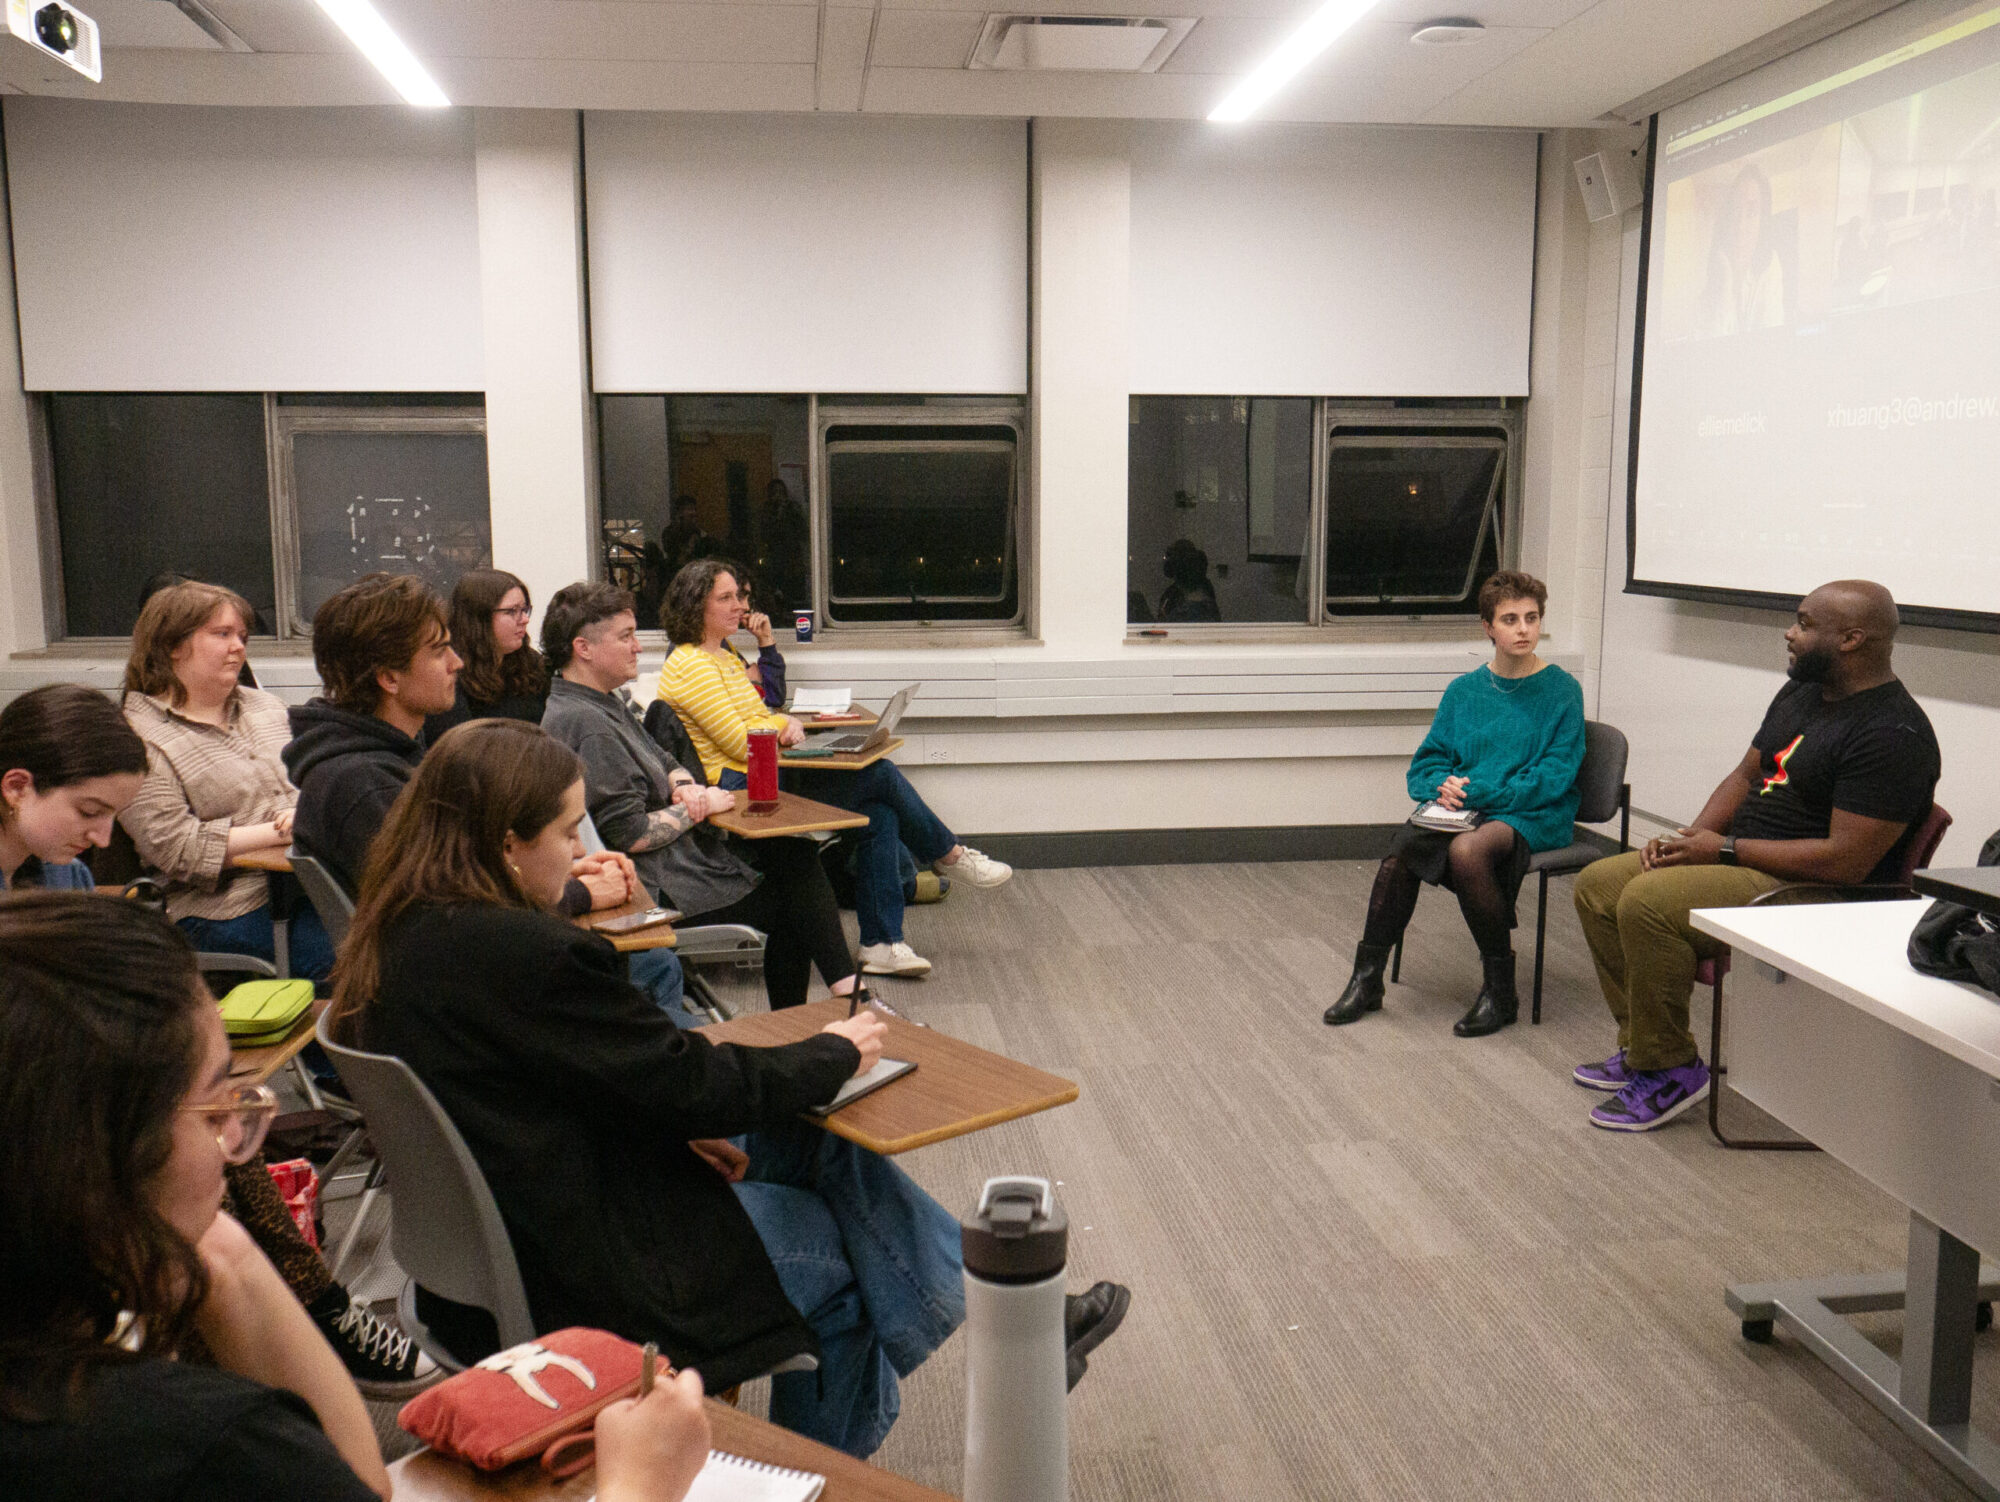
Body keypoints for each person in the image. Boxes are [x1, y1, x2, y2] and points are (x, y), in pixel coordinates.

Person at [328, 719, 1133, 1456]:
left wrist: (687, 1115)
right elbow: (684, 1079)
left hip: (499, 1233)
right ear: (505, 844)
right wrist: (828, 1051)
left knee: (812, 1142)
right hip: (587, 1261)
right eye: (568, 830)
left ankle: (1015, 1323)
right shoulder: (527, 956)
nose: (579, 852)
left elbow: (575, 1083)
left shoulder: (400, 932)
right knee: (847, 1264)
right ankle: (833, 1457)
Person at [0, 893, 716, 1502]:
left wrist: (223, 1250)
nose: (244, 1123)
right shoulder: (191, 1441)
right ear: (97, 1157)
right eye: (214, 1102)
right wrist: (637, 1489)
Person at [0, 676, 435, 1393]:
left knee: (215, 1135)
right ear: (18, 786)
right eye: (90, 811)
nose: (105, 836)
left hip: (66, 1101)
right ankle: (306, 1329)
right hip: (37, 1127)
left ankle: (299, 1329)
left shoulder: (62, 873)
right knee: (204, 1150)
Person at [1573, 579, 1940, 1132]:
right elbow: (1747, 774)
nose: (1789, 633)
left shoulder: (1893, 734)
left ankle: (1670, 1069)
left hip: (1815, 893)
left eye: (1804, 623)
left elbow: (1845, 862)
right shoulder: (1802, 693)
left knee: (1648, 900)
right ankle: (1647, 1045)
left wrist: (1719, 849)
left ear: (1852, 639)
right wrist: (1687, 838)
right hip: (1741, 862)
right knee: (1599, 884)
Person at [285, 572, 691, 1024]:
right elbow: (455, 923)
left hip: (465, 989)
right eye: (439, 650)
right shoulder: (364, 786)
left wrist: (556, 867)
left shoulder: (387, 759)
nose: (457, 662)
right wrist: (577, 894)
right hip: (466, 1010)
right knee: (651, 974)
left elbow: (458, 876)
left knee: (653, 968)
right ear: (388, 677)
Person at [656, 560, 1011, 979]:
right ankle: (947, 854)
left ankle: (881, 943)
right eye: (727, 598)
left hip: (763, 768)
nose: (740, 606)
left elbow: (759, 716)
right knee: (879, 776)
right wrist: (781, 725)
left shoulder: (724, 658)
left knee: (880, 814)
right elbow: (741, 741)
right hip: (742, 787)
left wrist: (781, 724)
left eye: (739, 596)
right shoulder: (690, 663)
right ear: (696, 605)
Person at [540, 582, 863, 1013]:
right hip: (658, 884)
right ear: (583, 648)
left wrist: (680, 783)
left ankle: (837, 1001)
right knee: (796, 900)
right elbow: (630, 834)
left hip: (678, 862)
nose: (638, 647)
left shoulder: (600, 703)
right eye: (626, 637)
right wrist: (700, 807)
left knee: (796, 857)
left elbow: (664, 754)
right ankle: (847, 1002)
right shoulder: (588, 724)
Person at [1325, 571, 1585, 1038]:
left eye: (1532, 618)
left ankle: (1499, 992)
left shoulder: (1562, 690)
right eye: (1510, 619)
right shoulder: (1464, 691)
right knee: (1400, 855)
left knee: (1468, 851)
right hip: (1469, 806)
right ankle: (1367, 979)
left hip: (1533, 811)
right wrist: (1441, 785)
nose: (1524, 629)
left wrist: (1482, 793)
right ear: (1488, 628)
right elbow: (1426, 764)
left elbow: (1555, 775)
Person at [117, 580, 335, 981]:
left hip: (312, 882)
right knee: (349, 962)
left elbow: (318, 780)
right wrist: (280, 830)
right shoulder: (139, 738)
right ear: (172, 646)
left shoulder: (265, 707)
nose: (239, 646)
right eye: (222, 634)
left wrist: (308, 807)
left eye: (242, 636)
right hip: (221, 908)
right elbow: (178, 849)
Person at [0, 683, 149, 891]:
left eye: (113, 816)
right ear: (17, 788)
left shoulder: (69, 876)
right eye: (89, 812)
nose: (103, 840)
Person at [422, 568, 552, 741]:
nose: (524, 619)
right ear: (479, 619)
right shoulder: (451, 672)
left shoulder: (532, 664)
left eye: (524, 609)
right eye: (511, 611)